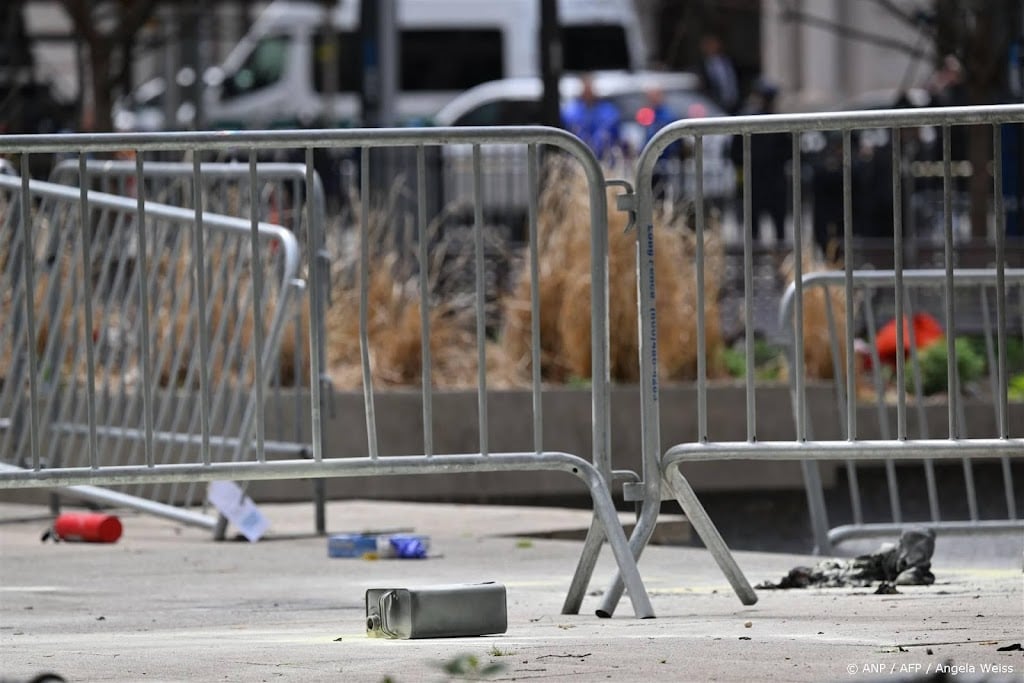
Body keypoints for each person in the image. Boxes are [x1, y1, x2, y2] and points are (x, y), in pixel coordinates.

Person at [732, 78, 790, 246]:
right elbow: (736, 154)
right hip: (761, 180)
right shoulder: (752, 120)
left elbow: (735, 154)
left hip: (764, 180)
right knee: (759, 225)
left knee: (768, 225)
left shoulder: (751, 119)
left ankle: (766, 261)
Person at [561, 74, 623, 161]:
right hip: (578, 160)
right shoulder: (571, 111)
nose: (588, 92)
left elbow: (612, 133)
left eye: (590, 88)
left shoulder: (609, 111)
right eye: (585, 88)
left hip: (605, 160)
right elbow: (569, 132)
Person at [698, 34, 740, 115]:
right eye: (707, 45)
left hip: (734, 104)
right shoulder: (701, 66)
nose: (711, 47)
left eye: (713, 44)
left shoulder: (729, 61)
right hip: (714, 105)